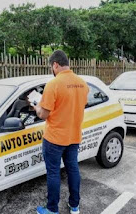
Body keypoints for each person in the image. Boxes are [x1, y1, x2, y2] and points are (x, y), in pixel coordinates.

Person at [33, 50, 89, 214]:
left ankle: (51, 209)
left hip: (55, 139)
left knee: (53, 173)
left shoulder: (53, 84)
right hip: (74, 136)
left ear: (55, 64)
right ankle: (74, 206)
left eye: (52, 66)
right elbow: (80, 104)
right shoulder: (82, 83)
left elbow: (44, 114)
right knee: (73, 170)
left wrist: (36, 106)